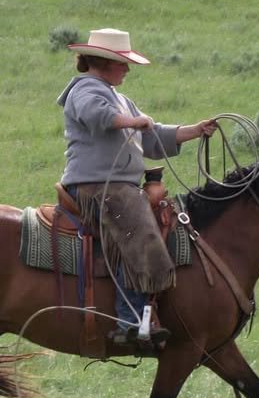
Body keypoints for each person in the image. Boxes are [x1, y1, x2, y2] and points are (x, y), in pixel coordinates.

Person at [57, 28, 217, 346]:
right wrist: (131, 122)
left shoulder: (120, 98)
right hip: (95, 187)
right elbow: (97, 115)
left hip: (118, 186)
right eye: (123, 63)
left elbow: (152, 136)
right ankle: (127, 321)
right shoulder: (84, 89)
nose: (127, 69)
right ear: (103, 61)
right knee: (137, 228)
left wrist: (194, 130)